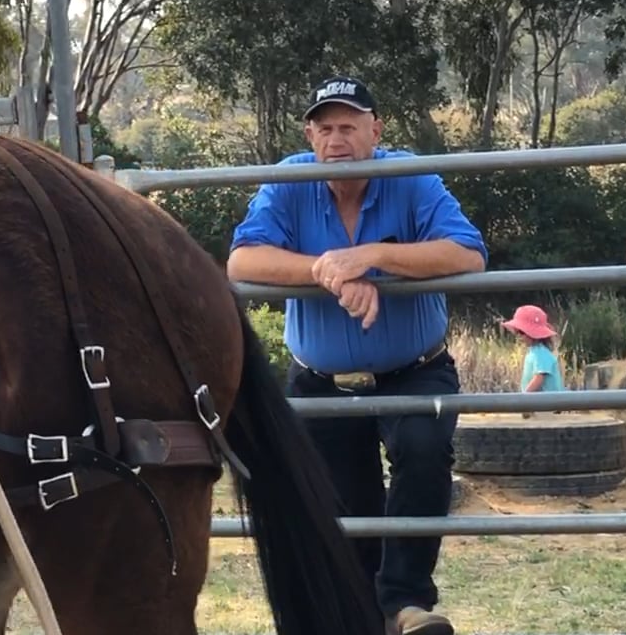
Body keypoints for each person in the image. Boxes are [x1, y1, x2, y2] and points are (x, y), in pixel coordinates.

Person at [226, 76, 488, 635]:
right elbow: (242, 261)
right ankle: (369, 617)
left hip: (415, 370)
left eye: (349, 126)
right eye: (325, 128)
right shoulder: (290, 180)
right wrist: (327, 269)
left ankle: (405, 603)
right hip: (322, 380)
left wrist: (371, 258)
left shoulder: (409, 176)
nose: (336, 138)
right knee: (344, 504)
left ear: (376, 130)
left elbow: (467, 254)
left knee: (422, 449)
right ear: (310, 135)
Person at [500, 304, 566, 393]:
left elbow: (539, 378)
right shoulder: (534, 352)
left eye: (521, 332)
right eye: (517, 332)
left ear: (532, 333)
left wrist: (525, 397)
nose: (518, 336)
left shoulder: (541, 353)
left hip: (549, 403)